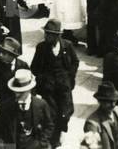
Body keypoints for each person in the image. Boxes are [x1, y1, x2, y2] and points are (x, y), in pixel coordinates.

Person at [29, 19, 80, 148]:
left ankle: (61, 132)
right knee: (50, 114)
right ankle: (51, 141)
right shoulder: (41, 47)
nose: (46, 36)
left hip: (64, 87)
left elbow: (75, 62)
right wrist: (43, 79)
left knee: (65, 111)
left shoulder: (67, 45)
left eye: (50, 34)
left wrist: (69, 77)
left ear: (57, 36)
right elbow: (34, 67)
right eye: (46, 33)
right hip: (48, 89)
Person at [0, 69, 57, 149]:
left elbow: (49, 126)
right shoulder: (6, 107)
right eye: (15, 91)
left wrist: (41, 143)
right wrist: (1, 145)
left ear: (29, 90)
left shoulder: (41, 104)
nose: (17, 95)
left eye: (21, 92)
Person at [82, 81, 118, 149]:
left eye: (114, 101)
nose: (113, 105)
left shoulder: (117, 110)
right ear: (100, 101)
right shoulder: (92, 123)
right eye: (108, 101)